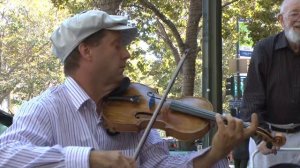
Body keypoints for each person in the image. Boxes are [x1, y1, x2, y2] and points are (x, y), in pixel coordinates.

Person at [0, 9, 258, 168]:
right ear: (86, 50)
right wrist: (90, 159)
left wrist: (215, 152)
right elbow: (6, 155)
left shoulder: (134, 107)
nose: (127, 54)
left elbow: (160, 165)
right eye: (117, 45)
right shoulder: (46, 109)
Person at [240, 0, 300, 167]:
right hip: (268, 136)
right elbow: (251, 100)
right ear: (281, 20)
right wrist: (262, 137)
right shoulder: (264, 48)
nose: (299, 19)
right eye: (294, 14)